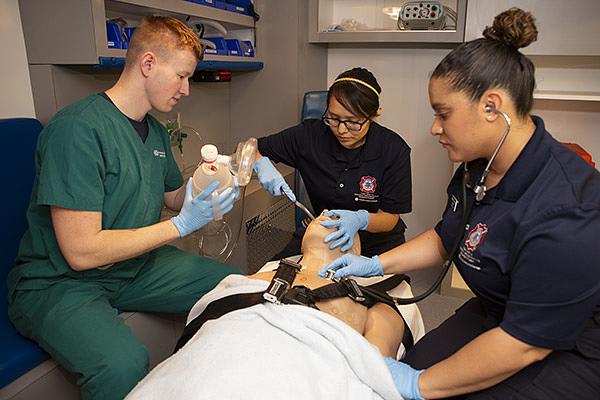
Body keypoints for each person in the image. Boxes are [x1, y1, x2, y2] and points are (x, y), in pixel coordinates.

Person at [320, 8, 600, 400]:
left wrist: (420, 386)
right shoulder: (478, 166)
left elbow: (526, 343)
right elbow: (446, 236)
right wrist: (374, 265)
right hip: (495, 311)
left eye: (443, 114)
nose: (434, 127)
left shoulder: (568, 209)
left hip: (564, 346)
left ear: (491, 106)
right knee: (412, 366)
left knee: (427, 388)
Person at [7, 16, 241, 400]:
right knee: (122, 365)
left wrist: (208, 186)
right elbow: (81, 252)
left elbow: (173, 199)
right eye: (181, 77)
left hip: (130, 268)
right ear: (148, 64)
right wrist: (182, 226)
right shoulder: (78, 130)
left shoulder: (155, 131)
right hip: (58, 282)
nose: (186, 90)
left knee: (232, 288)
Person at [124, 212, 422, 400]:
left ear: (355, 249)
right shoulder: (256, 276)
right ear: (304, 237)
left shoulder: (377, 297)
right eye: (323, 216)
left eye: (342, 223)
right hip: (229, 348)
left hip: (302, 367)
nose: (329, 217)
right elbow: (213, 309)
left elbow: (377, 366)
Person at [253, 67, 412, 258]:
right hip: (325, 237)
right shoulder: (309, 137)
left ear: (374, 114)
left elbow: (390, 218)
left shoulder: (393, 149)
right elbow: (251, 148)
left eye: (353, 122)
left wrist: (361, 219)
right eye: (334, 118)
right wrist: (260, 164)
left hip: (377, 246)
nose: (342, 130)